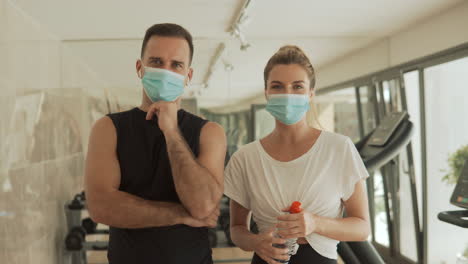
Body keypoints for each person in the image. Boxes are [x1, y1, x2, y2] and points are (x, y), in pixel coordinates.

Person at [84, 23, 227, 264]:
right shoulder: (108, 129)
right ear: (140, 68)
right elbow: (101, 206)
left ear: (188, 76)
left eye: (176, 65)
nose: (166, 71)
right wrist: (180, 214)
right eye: (157, 62)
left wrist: (171, 132)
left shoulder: (209, 133)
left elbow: (202, 206)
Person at [224, 45, 370, 264]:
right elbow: (236, 230)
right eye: (277, 86)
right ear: (266, 92)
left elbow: (362, 227)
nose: (287, 94)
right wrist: (255, 242)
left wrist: (315, 224)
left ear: (311, 93)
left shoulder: (339, 149)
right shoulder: (245, 158)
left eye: (297, 87)